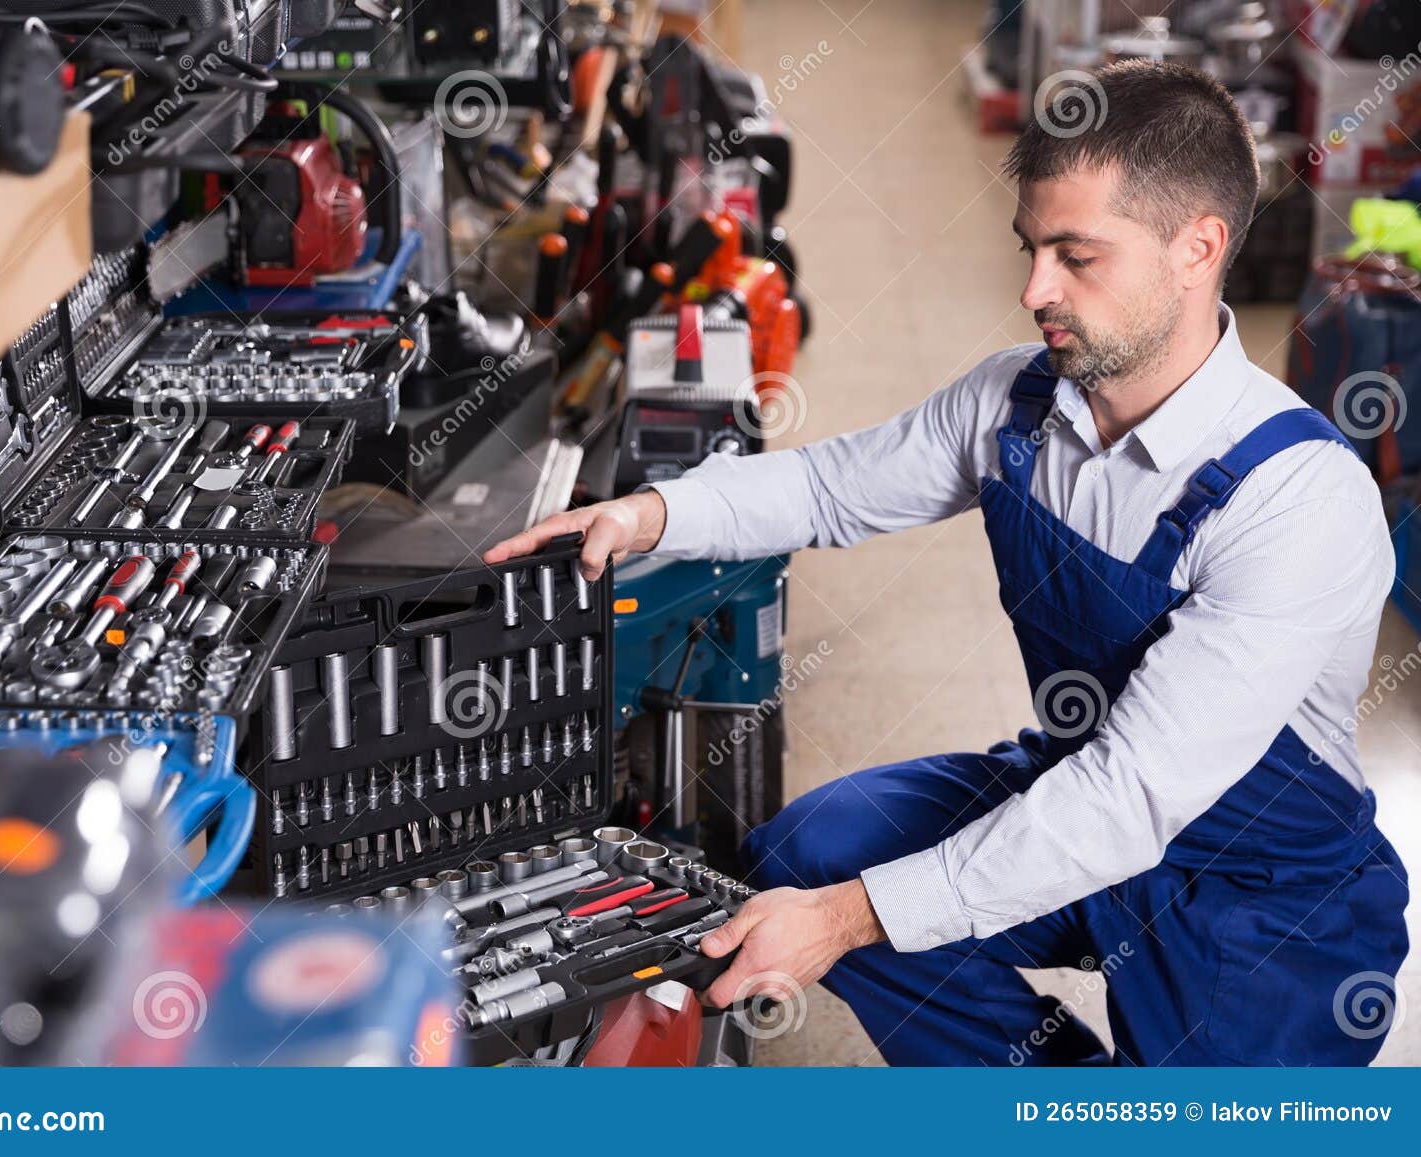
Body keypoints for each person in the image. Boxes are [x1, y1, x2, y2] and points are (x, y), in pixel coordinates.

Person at [484, 61, 1409, 1065]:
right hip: (1076, 791)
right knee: (814, 851)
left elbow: (1133, 794)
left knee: (852, 903)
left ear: (1198, 247)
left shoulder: (1296, 500)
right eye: (1029, 247)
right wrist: (652, 509)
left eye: (1075, 256)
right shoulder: (1016, 404)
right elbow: (832, 486)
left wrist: (844, 921)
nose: (1031, 290)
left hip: (1254, 891)